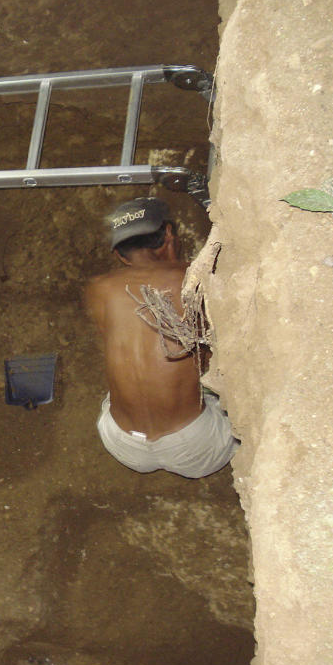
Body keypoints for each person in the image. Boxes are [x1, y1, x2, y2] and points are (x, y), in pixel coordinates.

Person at [84, 197, 238, 478]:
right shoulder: (193, 278)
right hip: (194, 448)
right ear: (168, 234)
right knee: (232, 392)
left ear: (119, 255)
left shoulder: (97, 288)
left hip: (121, 443)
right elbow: (207, 355)